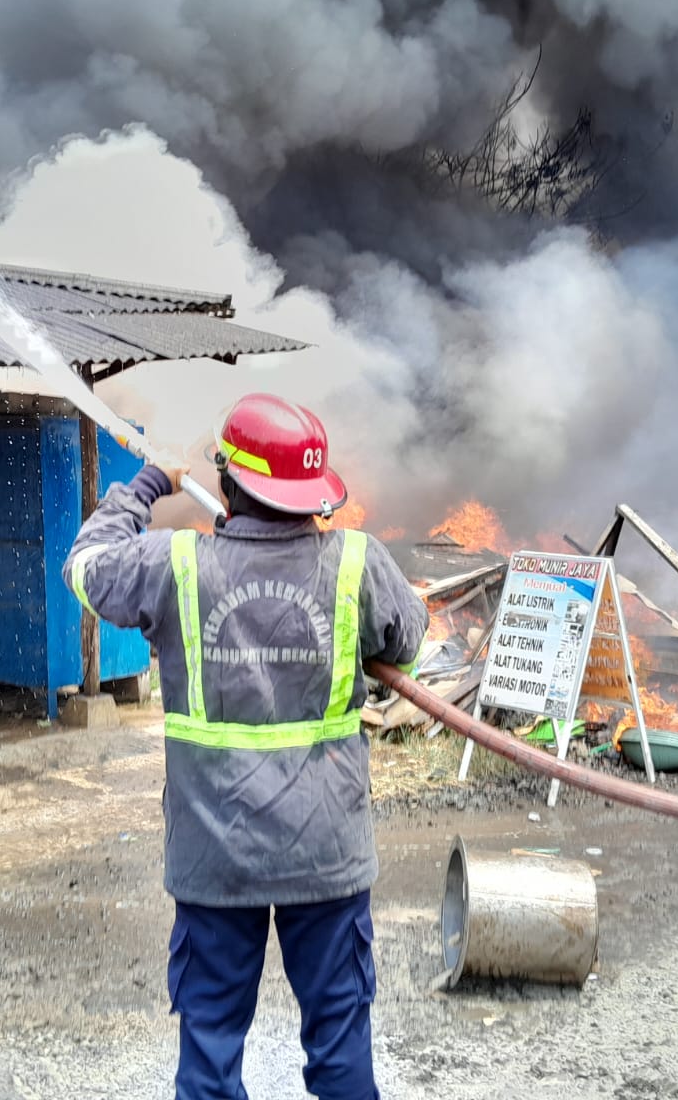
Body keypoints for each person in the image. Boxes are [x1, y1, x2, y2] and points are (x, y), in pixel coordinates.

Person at [63, 393, 427, 1100]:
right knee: (341, 1049)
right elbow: (406, 640)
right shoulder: (357, 562)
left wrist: (144, 486)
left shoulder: (177, 566)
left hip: (215, 856)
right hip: (326, 856)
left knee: (209, 1055)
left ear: (229, 484)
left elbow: (86, 565)